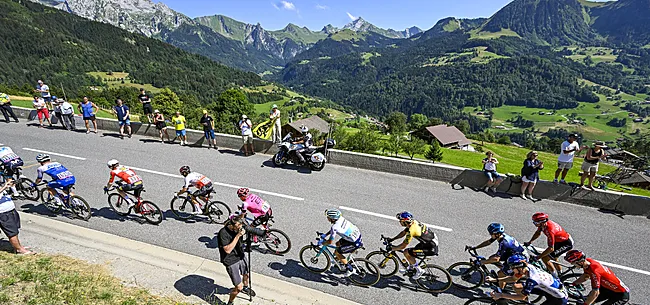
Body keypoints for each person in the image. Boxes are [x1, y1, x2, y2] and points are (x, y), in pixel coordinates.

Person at [489, 255, 568, 305]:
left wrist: (501, 295)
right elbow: (513, 278)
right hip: (547, 288)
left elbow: (521, 297)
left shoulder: (533, 279)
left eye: (513, 268)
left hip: (558, 298)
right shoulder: (527, 267)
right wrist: (495, 279)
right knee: (516, 286)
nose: (512, 270)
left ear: (519, 267)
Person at [468, 223, 526, 289]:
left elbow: (496, 259)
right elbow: (488, 242)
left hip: (518, 258)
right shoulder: (500, 236)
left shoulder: (504, 243)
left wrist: (482, 262)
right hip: (512, 253)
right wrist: (476, 247)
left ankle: (501, 292)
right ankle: (507, 270)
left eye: (491, 233)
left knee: (500, 273)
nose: (490, 234)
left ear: (496, 234)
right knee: (491, 258)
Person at [564, 250, 630, 305]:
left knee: (588, 301)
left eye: (573, 263)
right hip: (606, 289)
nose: (572, 265)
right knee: (587, 300)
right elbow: (586, 276)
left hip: (620, 295)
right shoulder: (588, 263)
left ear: (580, 262)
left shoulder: (594, 271)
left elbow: (595, 293)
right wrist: (573, 284)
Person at [386, 211, 439, 279]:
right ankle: (410, 269)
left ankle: (419, 270)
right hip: (429, 242)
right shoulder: (413, 222)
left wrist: (392, 248)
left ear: (405, 221)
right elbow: (403, 233)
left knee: (406, 252)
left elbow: (403, 246)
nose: (400, 222)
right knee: (411, 252)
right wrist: (392, 239)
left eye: (400, 221)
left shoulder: (411, 231)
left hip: (430, 248)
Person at [217, 215, 256, 305]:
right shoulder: (223, 233)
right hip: (230, 260)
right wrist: (238, 235)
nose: (239, 228)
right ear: (232, 225)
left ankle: (246, 288)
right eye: (238, 227)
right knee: (238, 287)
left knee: (246, 274)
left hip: (240, 255)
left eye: (240, 227)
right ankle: (230, 302)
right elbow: (227, 250)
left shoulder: (238, 228)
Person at [524, 213, 574, 278]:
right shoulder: (543, 225)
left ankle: (555, 278)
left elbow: (551, 248)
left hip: (566, 243)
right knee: (553, 257)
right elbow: (538, 233)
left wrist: (538, 257)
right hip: (559, 240)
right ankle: (560, 273)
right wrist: (530, 242)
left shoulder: (550, 230)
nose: (534, 224)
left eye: (535, 222)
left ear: (542, 222)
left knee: (545, 258)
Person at [323, 209, 363, 277]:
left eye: (328, 217)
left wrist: (323, 242)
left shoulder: (334, 227)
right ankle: (338, 260)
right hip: (356, 237)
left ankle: (350, 269)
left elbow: (330, 242)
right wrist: (325, 235)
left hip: (354, 243)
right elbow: (333, 231)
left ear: (332, 219)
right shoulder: (340, 219)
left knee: (337, 253)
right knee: (337, 243)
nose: (327, 218)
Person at [0, 180, 33, 255]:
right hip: (3, 213)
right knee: (12, 233)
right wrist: (5, 187)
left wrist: (8, 186)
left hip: (10, 211)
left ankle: (18, 246)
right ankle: (19, 250)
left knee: (15, 230)